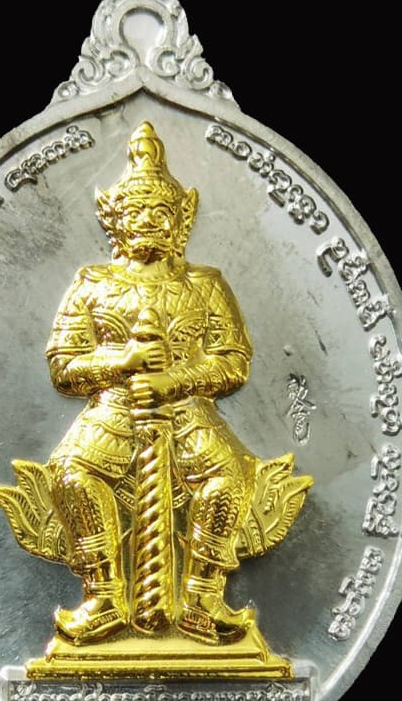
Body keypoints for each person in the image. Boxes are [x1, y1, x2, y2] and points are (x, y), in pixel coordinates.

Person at [45, 121, 259, 647]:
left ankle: (203, 598)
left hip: (187, 411)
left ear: (181, 220)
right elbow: (64, 367)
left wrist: (174, 380)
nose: (147, 221)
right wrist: (123, 361)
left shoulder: (205, 285)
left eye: (161, 212)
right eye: (136, 211)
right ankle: (103, 597)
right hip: (113, 410)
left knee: (231, 475)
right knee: (71, 473)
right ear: (113, 219)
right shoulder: (92, 284)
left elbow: (233, 362)